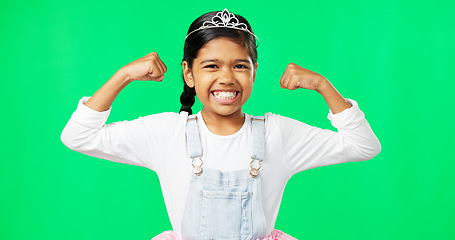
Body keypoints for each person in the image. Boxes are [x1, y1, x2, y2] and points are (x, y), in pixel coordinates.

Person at [61, 9, 381, 240]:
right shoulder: (167, 133)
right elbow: (77, 136)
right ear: (189, 73)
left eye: (240, 66)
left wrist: (324, 86)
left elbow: (364, 146)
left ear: (254, 71)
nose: (226, 78)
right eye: (211, 66)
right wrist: (123, 76)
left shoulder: (277, 134)